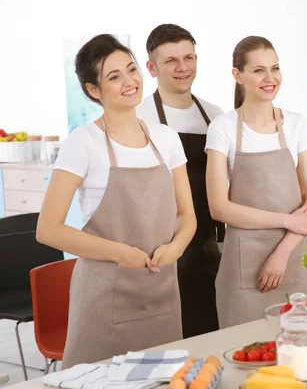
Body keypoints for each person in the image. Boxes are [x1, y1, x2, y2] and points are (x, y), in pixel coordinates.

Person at [36, 34, 196, 368]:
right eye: (114, 76)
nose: (129, 82)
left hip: (161, 291)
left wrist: (177, 247)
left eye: (131, 69)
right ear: (93, 90)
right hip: (103, 297)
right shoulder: (83, 143)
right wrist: (121, 254)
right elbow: (48, 230)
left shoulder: (166, 139)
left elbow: (186, 216)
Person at [205, 36, 307, 328]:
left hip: (297, 255)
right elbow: (219, 208)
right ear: (238, 76)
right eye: (259, 70)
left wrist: (282, 253)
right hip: (244, 268)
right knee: (245, 353)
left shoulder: (296, 124)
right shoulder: (222, 128)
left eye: (275, 68)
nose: (270, 78)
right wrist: (288, 220)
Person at [136, 23, 224, 337]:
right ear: (151, 67)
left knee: (211, 331)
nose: (183, 67)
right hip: (162, 246)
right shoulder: (140, 117)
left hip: (208, 244)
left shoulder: (214, 115)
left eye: (189, 58)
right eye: (171, 60)